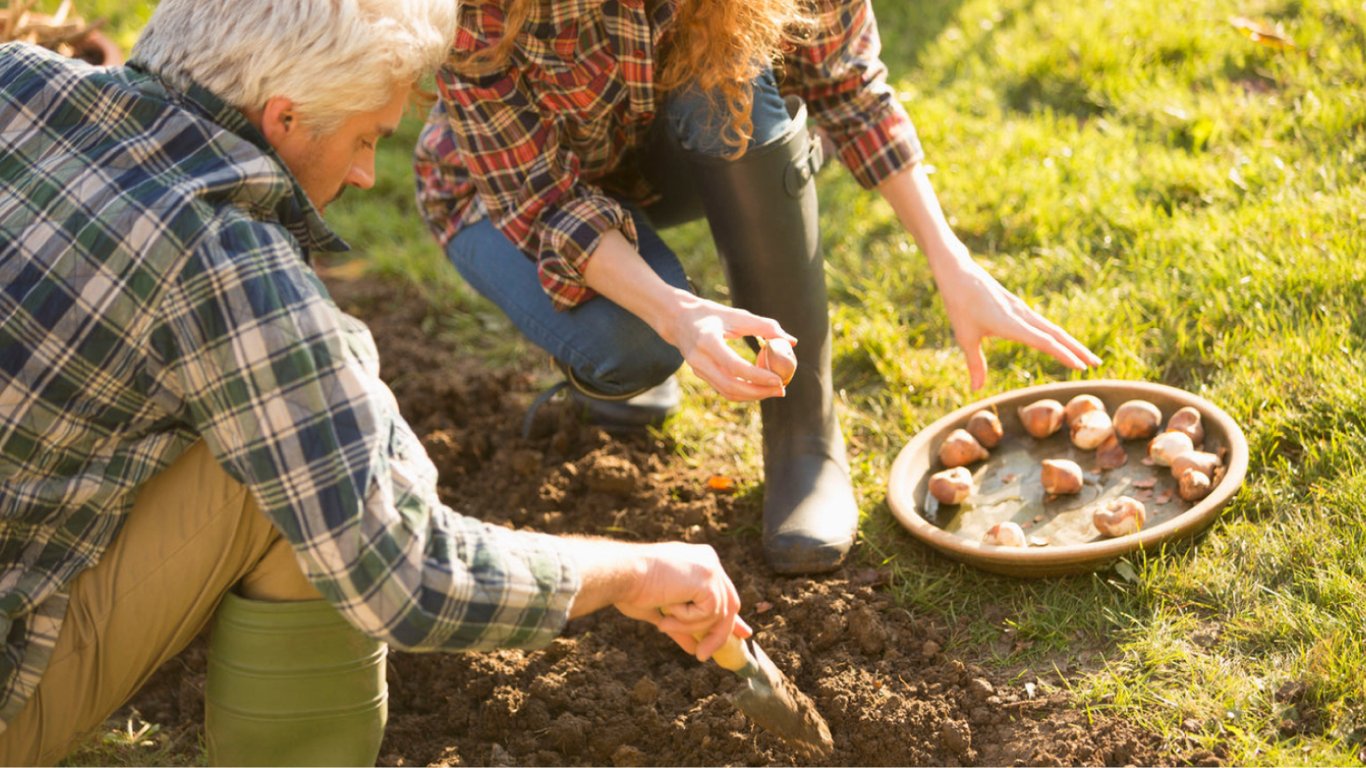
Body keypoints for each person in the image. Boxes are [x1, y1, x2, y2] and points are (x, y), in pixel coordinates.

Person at [0, 1, 750, 765]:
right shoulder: (229, 267)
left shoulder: (18, 81)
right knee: (303, 465)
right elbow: (404, 569)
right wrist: (636, 571)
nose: (364, 172)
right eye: (365, 139)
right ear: (284, 118)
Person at [413, 0, 1103, 575]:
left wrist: (954, 263)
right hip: (501, 197)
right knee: (630, 349)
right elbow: (545, 199)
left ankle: (805, 435)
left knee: (731, 75)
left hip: (653, 155)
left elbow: (849, 88)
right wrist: (673, 314)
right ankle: (633, 340)